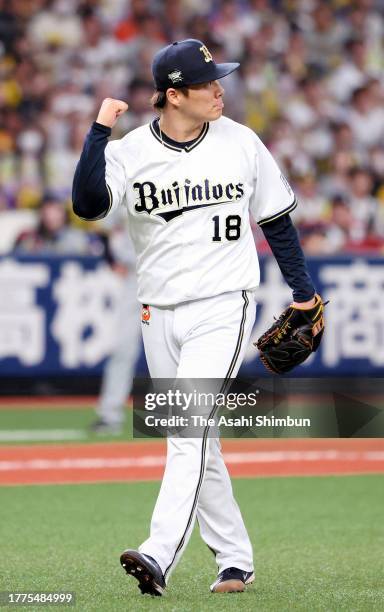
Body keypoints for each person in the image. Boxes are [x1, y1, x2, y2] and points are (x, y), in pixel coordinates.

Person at [72, 39, 320, 596]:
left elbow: (276, 222)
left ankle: (159, 553)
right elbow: (88, 205)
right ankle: (235, 558)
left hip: (223, 304)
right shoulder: (131, 150)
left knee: (185, 428)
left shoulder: (240, 141)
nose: (219, 89)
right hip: (154, 312)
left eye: (220, 79)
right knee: (198, 439)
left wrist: (304, 295)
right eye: (208, 82)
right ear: (173, 95)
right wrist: (97, 133)